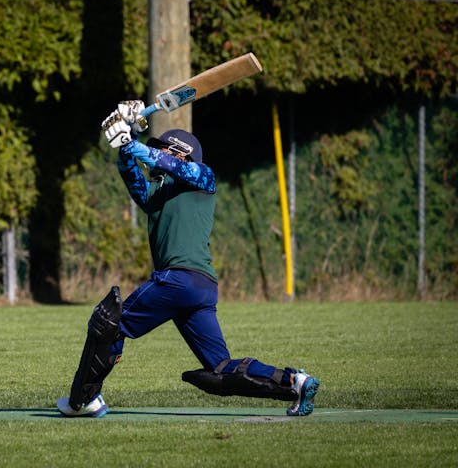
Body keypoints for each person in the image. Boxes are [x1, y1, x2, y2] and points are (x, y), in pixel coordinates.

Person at [56, 100, 319, 418]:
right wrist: (128, 137)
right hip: (200, 289)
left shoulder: (203, 177)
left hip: (178, 279)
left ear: (180, 152)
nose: (156, 155)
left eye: (162, 149)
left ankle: (83, 400)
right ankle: (294, 382)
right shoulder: (156, 194)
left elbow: (171, 165)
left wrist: (134, 144)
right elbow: (129, 171)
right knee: (220, 368)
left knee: (110, 323)